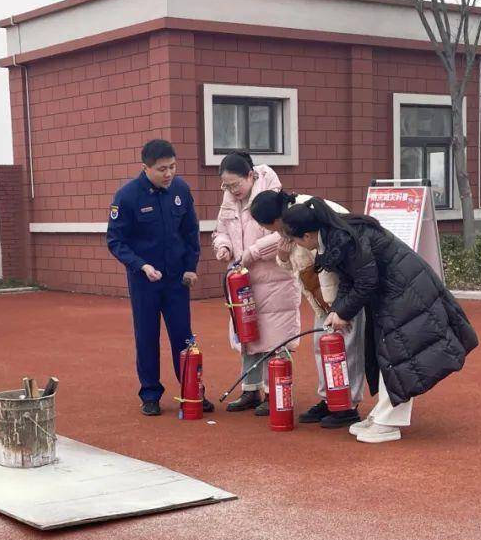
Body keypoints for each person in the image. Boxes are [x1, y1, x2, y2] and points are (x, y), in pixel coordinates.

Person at [280, 197, 478, 443]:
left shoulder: (345, 239)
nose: (298, 245)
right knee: (390, 354)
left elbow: (365, 281)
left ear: (308, 235)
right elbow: (350, 279)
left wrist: (342, 312)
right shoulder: (335, 236)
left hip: (403, 291)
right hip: (394, 290)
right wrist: (340, 310)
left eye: (296, 240)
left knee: (399, 356)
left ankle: (388, 423)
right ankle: (383, 415)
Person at [106, 138, 213, 416]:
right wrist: (140, 265)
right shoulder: (127, 196)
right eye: (162, 169)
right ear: (146, 168)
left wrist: (191, 266)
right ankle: (150, 394)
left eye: (173, 167)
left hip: (177, 279)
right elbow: (116, 241)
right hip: (145, 281)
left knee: (184, 337)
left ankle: (192, 391)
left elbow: (191, 232)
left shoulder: (180, 189)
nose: (169, 174)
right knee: (147, 336)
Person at [251, 189, 366, 428]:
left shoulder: (307, 213)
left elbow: (329, 258)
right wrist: (282, 257)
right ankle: (329, 398)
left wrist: (338, 307)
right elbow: (296, 267)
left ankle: (347, 404)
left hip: (345, 287)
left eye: (271, 229)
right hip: (320, 294)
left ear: (275, 220)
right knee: (321, 344)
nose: (275, 234)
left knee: (346, 346)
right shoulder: (287, 225)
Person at [211, 152, 301, 416]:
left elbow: (282, 235)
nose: (231, 190)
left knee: (276, 336)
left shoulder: (273, 196)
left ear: (250, 176)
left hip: (275, 278)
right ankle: (251, 389)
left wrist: (251, 253)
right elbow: (221, 230)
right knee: (247, 334)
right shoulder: (229, 198)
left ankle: (276, 392)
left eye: (235, 185)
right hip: (243, 279)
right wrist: (223, 246)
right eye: (226, 186)